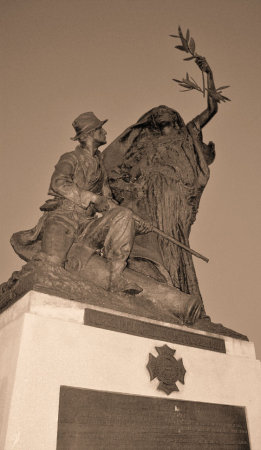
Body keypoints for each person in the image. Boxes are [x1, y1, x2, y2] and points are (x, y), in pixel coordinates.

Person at [11, 112, 151, 294]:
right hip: (63, 218)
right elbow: (59, 183)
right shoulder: (70, 158)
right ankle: (14, 286)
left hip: (87, 225)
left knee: (123, 215)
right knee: (50, 268)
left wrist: (134, 219)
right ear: (87, 135)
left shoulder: (100, 166)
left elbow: (108, 201)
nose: (105, 132)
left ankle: (115, 278)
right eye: (100, 129)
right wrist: (92, 198)